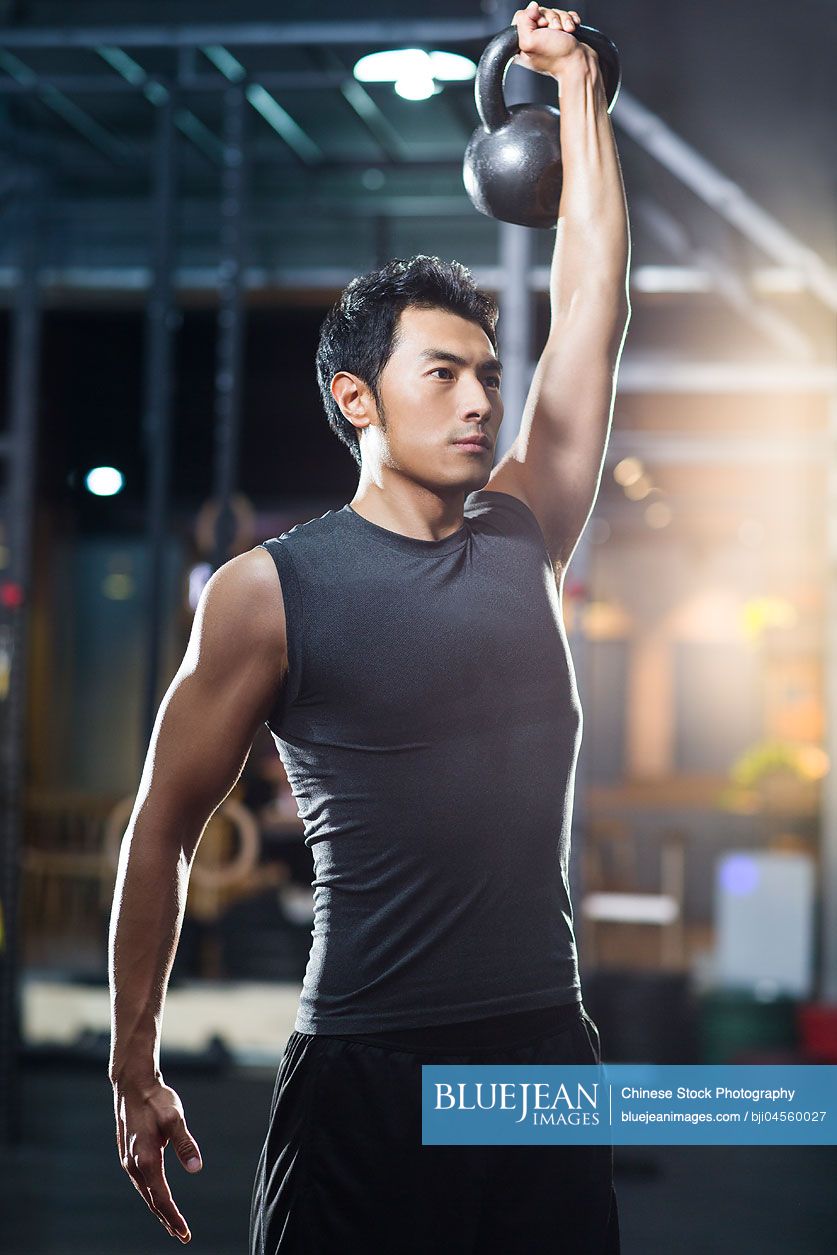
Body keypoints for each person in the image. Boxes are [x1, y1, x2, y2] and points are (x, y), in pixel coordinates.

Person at [108, 5, 630, 1251]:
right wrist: (135, 1061)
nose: (479, 398)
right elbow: (161, 829)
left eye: (487, 373)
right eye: (439, 373)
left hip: (539, 1057)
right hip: (364, 1070)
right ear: (357, 397)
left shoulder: (525, 531)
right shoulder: (266, 591)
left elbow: (595, 291)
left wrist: (577, 91)